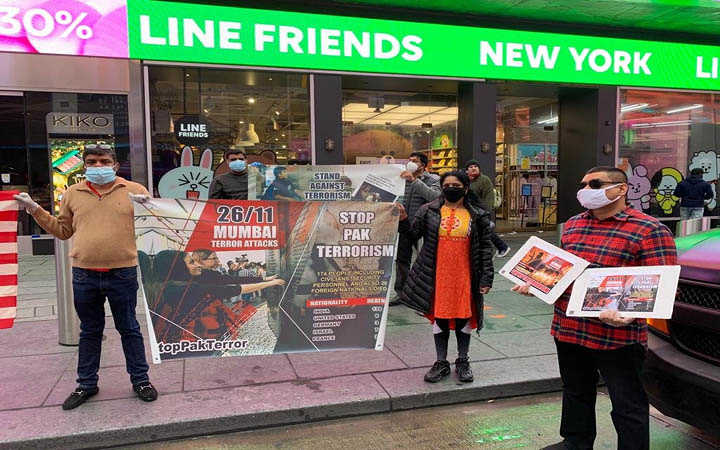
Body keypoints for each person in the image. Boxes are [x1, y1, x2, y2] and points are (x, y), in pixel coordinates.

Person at [512, 166, 677, 450]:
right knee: (576, 392)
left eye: (595, 184)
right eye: (584, 184)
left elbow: (661, 285)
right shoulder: (574, 224)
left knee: (627, 402)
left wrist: (632, 313)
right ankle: (576, 441)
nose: (586, 190)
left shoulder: (650, 230)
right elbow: (563, 274)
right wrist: (537, 284)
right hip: (569, 328)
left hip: (617, 337)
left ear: (622, 189)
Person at [13, 145, 158, 410]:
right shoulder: (72, 193)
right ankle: (86, 384)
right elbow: (63, 230)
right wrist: (35, 209)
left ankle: (141, 380)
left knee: (129, 329)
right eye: (92, 161)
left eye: (104, 161)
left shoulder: (135, 190)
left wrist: (148, 211)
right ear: (84, 166)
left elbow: (154, 229)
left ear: (115, 165)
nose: (98, 166)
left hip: (122, 272)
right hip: (85, 274)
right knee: (90, 331)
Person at [397, 170, 494, 383]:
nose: (451, 188)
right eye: (447, 185)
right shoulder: (428, 210)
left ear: (466, 189)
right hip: (437, 275)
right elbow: (413, 235)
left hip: (466, 276)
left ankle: (462, 360)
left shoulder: (477, 215)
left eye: (456, 185)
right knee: (439, 317)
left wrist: (487, 278)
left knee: (463, 318)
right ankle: (441, 362)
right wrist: (403, 221)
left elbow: (486, 248)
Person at [391, 152, 441, 306]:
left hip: (425, 227)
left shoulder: (433, 179)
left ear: (423, 165)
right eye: (409, 160)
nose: (410, 163)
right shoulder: (402, 179)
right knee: (402, 261)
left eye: (415, 161)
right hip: (405, 226)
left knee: (424, 261)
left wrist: (414, 181)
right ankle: (401, 293)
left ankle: (424, 294)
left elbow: (435, 197)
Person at [465, 160, 511, 257]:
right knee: (482, 231)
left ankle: (501, 247)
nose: (473, 168)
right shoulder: (466, 181)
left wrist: (485, 211)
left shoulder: (484, 180)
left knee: (483, 231)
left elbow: (489, 197)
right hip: (470, 211)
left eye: (475, 166)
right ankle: (500, 247)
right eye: (471, 167)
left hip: (480, 211)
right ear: (466, 171)